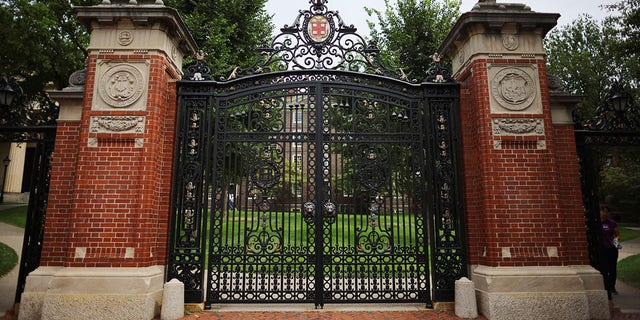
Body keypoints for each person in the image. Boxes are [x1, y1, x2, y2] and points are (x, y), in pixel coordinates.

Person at [600, 205, 620, 299]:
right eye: (603, 211)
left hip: (611, 249)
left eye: (607, 212)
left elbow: (617, 235)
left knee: (612, 268)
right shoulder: (595, 223)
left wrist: (616, 244)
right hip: (601, 250)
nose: (605, 213)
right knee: (603, 268)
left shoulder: (612, 223)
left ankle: (612, 287)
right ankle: (604, 286)